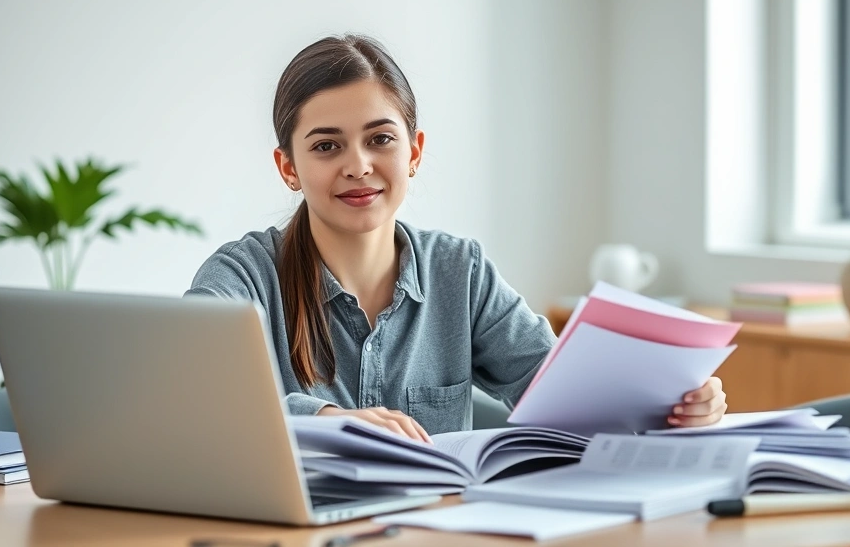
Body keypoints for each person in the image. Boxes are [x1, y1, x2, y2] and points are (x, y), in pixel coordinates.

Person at [186, 34, 728, 442]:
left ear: (414, 152)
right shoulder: (241, 277)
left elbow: (561, 388)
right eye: (327, 146)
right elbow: (193, 400)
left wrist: (671, 405)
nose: (359, 165)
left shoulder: (459, 270)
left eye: (380, 139)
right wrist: (325, 418)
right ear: (288, 167)